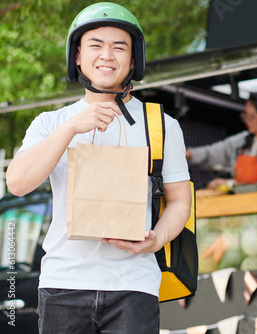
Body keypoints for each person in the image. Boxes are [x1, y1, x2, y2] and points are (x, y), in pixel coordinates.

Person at [6, 3, 191, 333]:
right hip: (63, 284)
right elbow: (17, 184)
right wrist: (71, 128)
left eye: (119, 47)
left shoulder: (161, 126)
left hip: (134, 286)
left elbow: (179, 201)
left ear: (134, 60)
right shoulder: (51, 122)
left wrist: (156, 239)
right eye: (95, 45)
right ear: (77, 56)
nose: (107, 55)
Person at [186, 91, 257, 190]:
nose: (247, 121)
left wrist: (229, 184)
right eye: (245, 116)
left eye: (252, 117)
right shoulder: (240, 141)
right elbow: (212, 153)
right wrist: (188, 154)